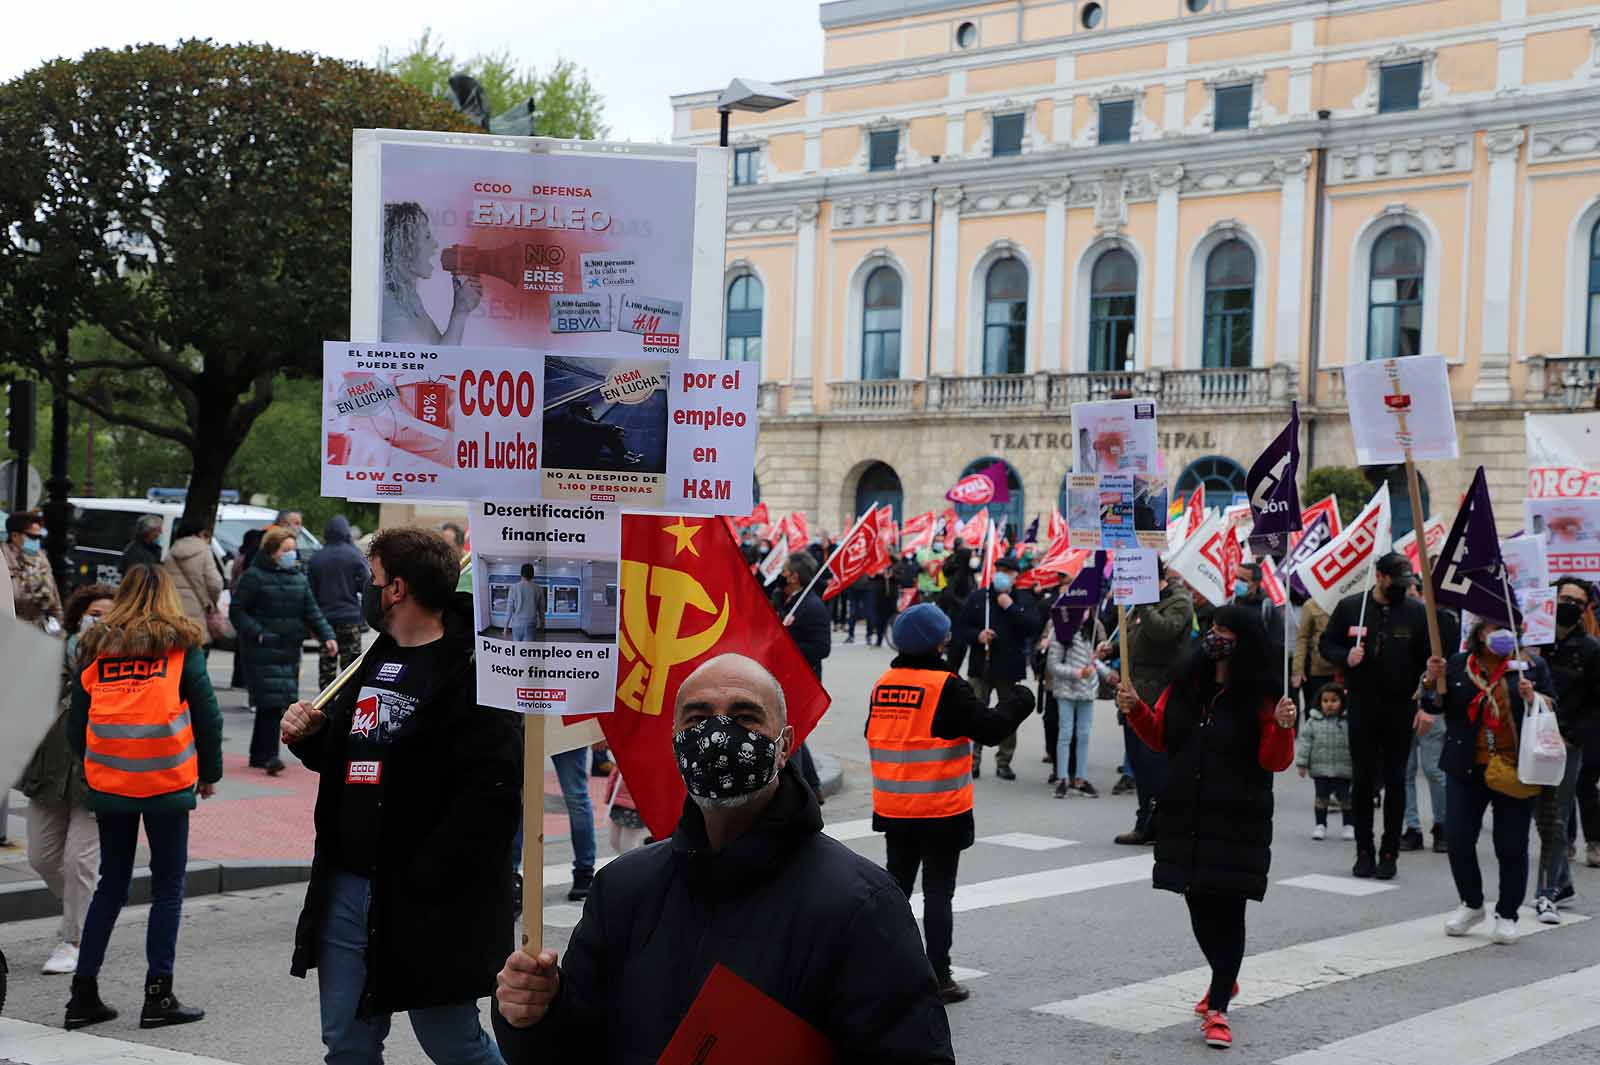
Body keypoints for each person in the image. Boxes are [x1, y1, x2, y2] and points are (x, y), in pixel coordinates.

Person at [492, 653, 955, 1064]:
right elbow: (572, 1048)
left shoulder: (860, 906)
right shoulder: (623, 889)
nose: (718, 734)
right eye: (698, 718)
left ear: (784, 743)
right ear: (674, 738)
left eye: (745, 717)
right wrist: (531, 1014)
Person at [280, 526, 520, 1065]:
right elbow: (355, 757)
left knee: (453, 1044)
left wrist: (428, 873)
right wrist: (314, 736)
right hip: (347, 886)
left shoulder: (474, 673)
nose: (367, 587)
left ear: (397, 590)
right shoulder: (374, 659)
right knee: (346, 1043)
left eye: (373, 577)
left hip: (427, 901)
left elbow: (492, 800)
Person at [1116, 605, 1298, 1051]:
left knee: (1229, 910)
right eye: (1212, 628)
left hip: (1238, 815)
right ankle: (1226, 975)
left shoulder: (1264, 694)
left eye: (1224, 630)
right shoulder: (1185, 682)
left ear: (1245, 640)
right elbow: (1160, 736)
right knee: (1197, 902)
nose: (1214, 636)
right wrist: (1136, 709)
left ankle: (1218, 1007)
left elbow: (1274, 761)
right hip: (1186, 813)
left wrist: (1282, 728)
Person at [63, 565, 223, 1030]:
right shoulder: (179, 645)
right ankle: (158, 995)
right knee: (167, 886)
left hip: (111, 782)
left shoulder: (96, 645)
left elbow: (77, 724)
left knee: (110, 884)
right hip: (166, 781)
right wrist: (208, 773)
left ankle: (82, 994)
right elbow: (208, 714)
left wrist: (102, 762)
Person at [867, 604, 1035, 1003]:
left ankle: (880, 967)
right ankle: (938, 976)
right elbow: (990, 729)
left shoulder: (884, 683)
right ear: (937, 643)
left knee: (897, 890)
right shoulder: (945, 686)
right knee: (938, 894)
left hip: (895, 807)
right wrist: (1021, 700)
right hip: (939, 808)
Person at [1419, 621, 1553, 944]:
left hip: (1513, 767)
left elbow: (1553, 706)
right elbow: (1432, 705)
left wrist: (1533, 697)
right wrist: (1430, 678)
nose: (1501, 633)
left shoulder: (1531, 665)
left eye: (1507, 626)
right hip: (1466, 765)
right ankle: (1472, 903)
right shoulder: (1457, 664)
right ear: (1479, 632)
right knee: (1458, 836)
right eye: (1494, 627)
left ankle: (1507, 914)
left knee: (1510, 844)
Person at [18, 585, 114, 976]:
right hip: (49, 773)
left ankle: (72, 940)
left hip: (98, 776)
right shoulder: (55, 656)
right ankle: (88, 909)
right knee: (41, 857)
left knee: (79, 861)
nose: (101, 621)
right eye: (95, 613)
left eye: (110, 614)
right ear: (78, 617)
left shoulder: (123, 662)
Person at [1320, 552, 1432, 880]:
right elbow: (1325, 644)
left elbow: (1428, 659)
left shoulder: (1415, 612)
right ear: (1380, 577)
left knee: (1396, 780)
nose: (1400, 588)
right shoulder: (1352, 606)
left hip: (1401, 707)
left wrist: (1428, 695)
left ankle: (1389, 851)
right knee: (1363, 780)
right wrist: (1345, 656)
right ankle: (1364, 850)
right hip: (1363, 705)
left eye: (1405, 583)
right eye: (1395, 582)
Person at [231, 526, 338, 775]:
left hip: (289, 648)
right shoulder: (254, 577)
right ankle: (269, 756)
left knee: (278, 700)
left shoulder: (299, 578)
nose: (292, 554)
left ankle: (260, 754)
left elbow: (312, 611)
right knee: (270, 702)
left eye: (293, 549)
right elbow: (238, 611)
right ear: (271, 552)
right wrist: (257, 632)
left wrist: (328, 637)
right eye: (285, 550)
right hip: (262, 648)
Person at [1102, 562, 1195, 844]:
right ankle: (1145, 822)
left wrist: (1143, 602)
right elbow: (1137, 638)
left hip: (1160, 695)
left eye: (1136, 579)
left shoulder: (1179, 601)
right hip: (1134, 693)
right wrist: (1113, 649)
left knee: (1156, 763)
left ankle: (1166, 823)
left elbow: (1162, 632)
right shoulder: (1145, 603)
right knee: (1140, 766)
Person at [1534, 577, 1599, 922]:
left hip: (1566, 744)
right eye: (1563, 598)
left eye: (1576, 600)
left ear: (1585, 608)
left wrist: (1575, 735)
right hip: (1532, 742)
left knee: (1553, 816)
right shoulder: (1536, 643)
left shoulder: (1591, 649)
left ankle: (1546, 892)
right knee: (1538, 813)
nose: (1568, 604)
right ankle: (1564, 880)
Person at [957, 556, 1041, 781]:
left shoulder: (1022, 599)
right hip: (981, 667)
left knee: (1009, 715)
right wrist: (978, 635)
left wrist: (1011, 608)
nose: (1002, 574)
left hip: (1008, 668)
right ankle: (972, 761)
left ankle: (1004, 761)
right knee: (973, 714)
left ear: (1016, 575)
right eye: (999, 570)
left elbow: (1033, 627)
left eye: (1007, 570)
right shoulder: (978, 598)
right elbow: (961, 627)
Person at [1401, 575, 1458, 854]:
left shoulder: (1442, 621)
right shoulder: (1396, 618)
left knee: (1435, 769)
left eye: (1413, 590)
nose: (1409, 594)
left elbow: (1448, 665)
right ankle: (1410, 826)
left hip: (1432, 704)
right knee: (1405, 769)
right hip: (1400, 705)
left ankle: (1442, 825)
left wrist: (1431, 704)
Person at [380, 201, 482, 345]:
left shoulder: (408, 299)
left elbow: (438, 351)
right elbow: (435, 364)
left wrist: (460, 310)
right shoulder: (389, 308)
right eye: (427, 237)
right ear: (404, 247)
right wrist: (458, 315)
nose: (435, 244)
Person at [1046, 611, 1106, 798]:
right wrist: (1077, 673)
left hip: (1087, 692)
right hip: (1066, 690)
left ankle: (1080, 778)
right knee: (1065, 734)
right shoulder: (1060, 631)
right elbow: (1053, 665)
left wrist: (1106, 671)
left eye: (1087, 608)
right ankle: (1062, 778)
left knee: (1084, 734)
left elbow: (1093, 662)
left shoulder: (1092, 630)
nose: (1084, 612)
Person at [309, 516, 370, 691]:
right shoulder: (354, 555)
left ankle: (325, 707)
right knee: (350, 669)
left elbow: (311, 592)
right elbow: (366, 583)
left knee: (327, 666)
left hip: (325, 621)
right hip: (350, 618)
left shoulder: (317, 558)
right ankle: (347, 707)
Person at [1295, 684, 1355, 840]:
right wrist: (1302, 763)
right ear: (1319, 703)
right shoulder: (1313, 721)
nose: (1329, 704)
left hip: (1343, 768)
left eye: (1334, 700)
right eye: (1325, 700)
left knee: (1345, 799)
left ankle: (1348, 825)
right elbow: (1305, 742)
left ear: (1342, 702)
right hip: (1321, 768)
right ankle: (1320, 825)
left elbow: (1355, 743)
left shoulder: (1347, 722)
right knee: (1321, 798)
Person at [162, 523, 223, 654]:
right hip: (197, 607)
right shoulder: (204, 551)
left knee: (174, 649)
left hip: (173, 606)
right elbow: (215, 582)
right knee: (196, 648)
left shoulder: (171, 552)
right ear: (199, 534)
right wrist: (212, 600)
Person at [5, 510, 63, 631]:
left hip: (38, 629)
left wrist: (60, 626)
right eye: (32, 536)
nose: (37, 541)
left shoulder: (40, 558)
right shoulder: (4, 560)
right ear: (14, 536)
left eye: (39, 537)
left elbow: (54, 599)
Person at [1291, 588, 1336, 706]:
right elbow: (1302, 638)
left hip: (1341, 669)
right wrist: (1298, 669)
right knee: (1315, 711)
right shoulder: (1311, 605)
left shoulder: (1345, 602)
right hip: (1318, 670)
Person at [505, 563, 545, 642]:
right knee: (529, 650)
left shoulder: (513, 587)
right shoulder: (538, 588)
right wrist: (542, 624)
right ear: (533, 574)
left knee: (517, 649)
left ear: (521, 574)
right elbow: (541, 610)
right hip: (531, 623)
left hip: (517, 624)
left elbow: (509, 609)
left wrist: (505, 627)